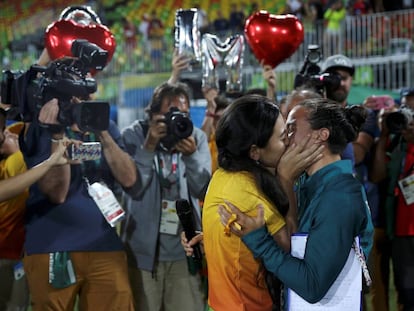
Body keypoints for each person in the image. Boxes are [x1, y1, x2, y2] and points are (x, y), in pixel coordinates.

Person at [218, 97, 374, 308]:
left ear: (321, 135)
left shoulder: (340, 196)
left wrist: (260, 241)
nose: (285, 139)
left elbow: (312, 286)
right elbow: (292, 243)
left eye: (291, 129)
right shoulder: (306, 182)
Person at [20, 53, 137, 310]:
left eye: (83, 95)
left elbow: (129, 178)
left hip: (104, 243)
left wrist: (101, 130)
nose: (78, 102)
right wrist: (57, 135)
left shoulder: (105, 125)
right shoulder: (41, 127)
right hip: (53, 247)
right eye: (72, 96)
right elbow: (56, 193)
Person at [201, 94, 323, 311]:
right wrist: (286, 179)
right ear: (255, 151)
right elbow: (290, 246)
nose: (288, 142)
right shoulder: (247, 190)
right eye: (282, 136)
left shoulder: (224, 175)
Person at [120, 81, 211, 311]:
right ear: (152, 114)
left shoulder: (195, 137)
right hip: (142, 254)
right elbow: (133, 188)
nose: (178, 120)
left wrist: (191, 157)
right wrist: (148, 146)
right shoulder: (134, 135)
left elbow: (202, 190)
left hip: (184, 251)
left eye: (184, 114)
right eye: (171, 113)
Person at [370, 88, 414, 311]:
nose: (410, 115)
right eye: (406, 108)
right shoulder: (396, 143)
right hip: (401, 231)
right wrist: (385, 135)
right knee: (406, 293)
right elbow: (377, 175)